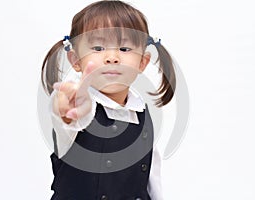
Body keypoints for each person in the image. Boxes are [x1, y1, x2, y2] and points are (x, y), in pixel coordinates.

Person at [41, 1, 176, 199]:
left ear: (142, 62)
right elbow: (67, 117)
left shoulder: (142, 115)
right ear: (76, 61)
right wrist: (67, 108)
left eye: (124, 49)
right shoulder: (77, 107)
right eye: (98, 47)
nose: (112, 57)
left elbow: (151, 180)